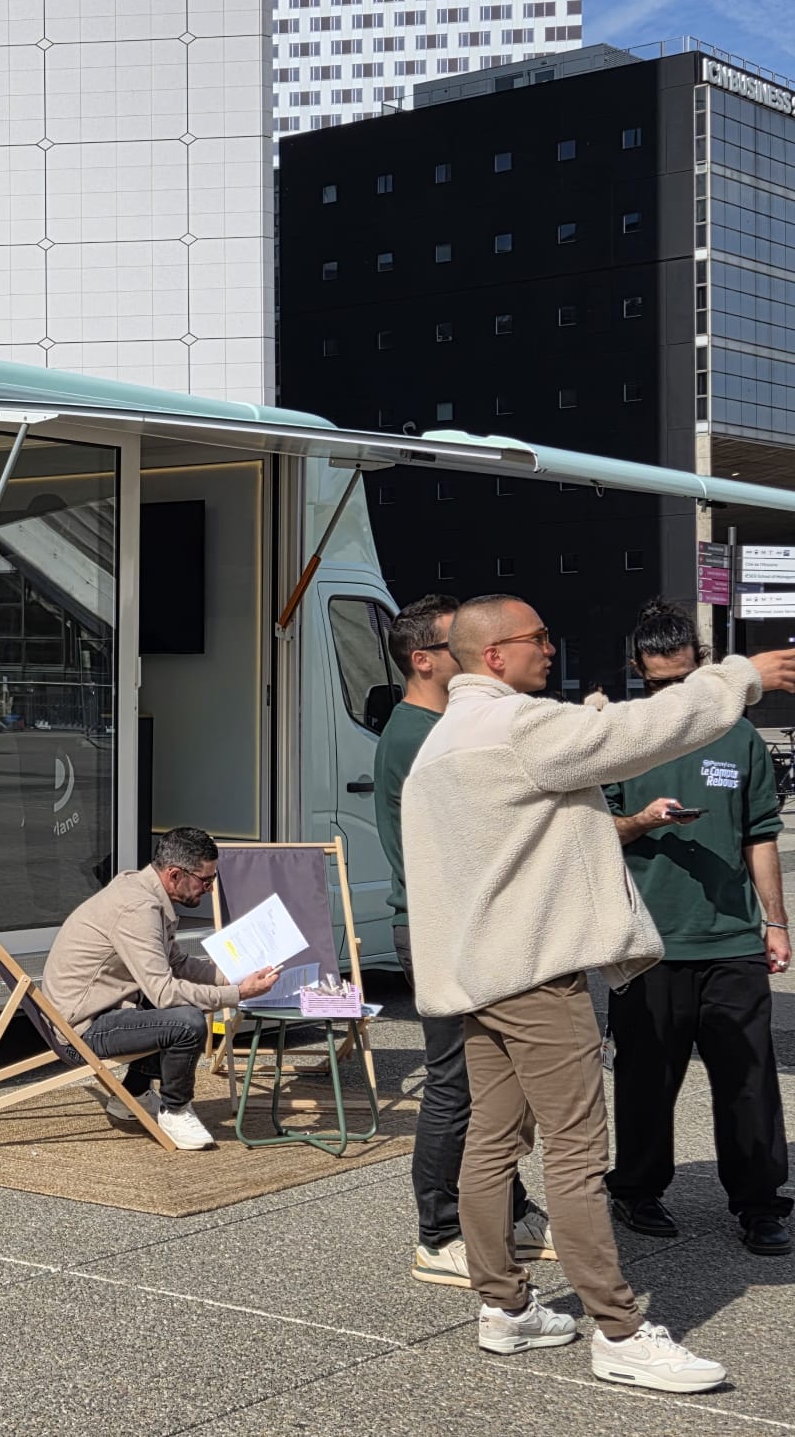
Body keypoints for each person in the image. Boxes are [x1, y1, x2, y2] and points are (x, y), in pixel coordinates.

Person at [402, 593, 795, 1393]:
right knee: (578, 1156)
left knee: (491, 1144)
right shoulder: (519, 729)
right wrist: (737, 678)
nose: (552, 647)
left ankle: (505, 1310)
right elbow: (637, 731)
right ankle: (618, 1329)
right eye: (538, 637)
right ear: (496, 656)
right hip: (537, 976)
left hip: (476, 976)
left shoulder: (445, 742)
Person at [601, 601, 793, 1257]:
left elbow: (759, 834)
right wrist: (642, 821)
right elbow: (593, 831)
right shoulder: (620, 734)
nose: (672, 695)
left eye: (682, 682)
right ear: (636, 672)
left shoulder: (737, 734)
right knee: (646, 1077)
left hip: (731, 937)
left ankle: (761, 1203)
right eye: (657, 685)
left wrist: (776, 921)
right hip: (647, 940)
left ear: (702, 669)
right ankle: (636, 1191)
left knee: (747, 1077)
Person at [374, 594, 551, 1287]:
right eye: (461, 647)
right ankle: (439, 1231)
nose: (480, 656)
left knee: (493, 1080)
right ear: (424, 661)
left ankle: (505, 1207)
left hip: (460, 923)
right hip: (439, 926)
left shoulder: (439, 725)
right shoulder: (421, 735)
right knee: (456, 1083)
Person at [40, 825, 281, 1150]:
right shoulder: (138, 910)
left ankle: (132, 1098)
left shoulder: (146, 891)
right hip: (79, 1029)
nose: (210, 889)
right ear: (174, 875)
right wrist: (238, 994)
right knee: (188, 1022)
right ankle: (175, 1110)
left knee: (169, 1012)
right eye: (205, 880)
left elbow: (177, 964)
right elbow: (165, 993)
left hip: (100, 1009)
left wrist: (232, 976)